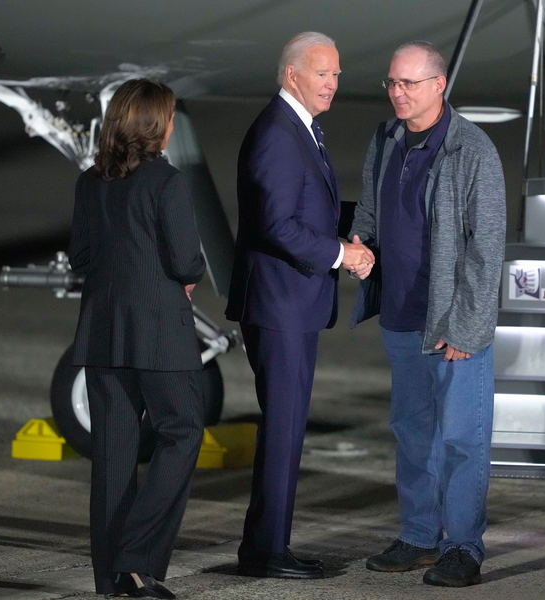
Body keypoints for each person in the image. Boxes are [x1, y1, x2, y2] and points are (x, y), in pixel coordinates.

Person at [348, 41, 506, 588]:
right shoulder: (386, 138)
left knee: (463, 438)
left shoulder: (471, 150)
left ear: (438, 85)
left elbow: (486, 249)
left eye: (408, 84)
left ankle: (463, 548)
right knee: (414, 433)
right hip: (400, 315)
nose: (397, 92)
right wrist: (360, 242)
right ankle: (419, 537)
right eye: (391, 83)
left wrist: (468, 326)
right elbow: (370, 204)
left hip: (450, 325)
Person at [225, 31, 374, 579]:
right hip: (279, 306)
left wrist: (370, 228)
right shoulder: (277, 135)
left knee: (287, 428)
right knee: (284, 429)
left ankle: (268, 546)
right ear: (292, 75)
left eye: (336, 74)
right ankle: (265, 552)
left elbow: (311, 209)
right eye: (323, 74)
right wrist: (343, 255)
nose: (333, 83)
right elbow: (277, 226)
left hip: (290, 304)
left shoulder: (300, 129)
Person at [69, 78, 206, 599]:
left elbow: (81, 258)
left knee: (113, 459)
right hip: (159, 335)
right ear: (157, 126)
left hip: (103, 334)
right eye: (170, 116)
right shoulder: (166, 182)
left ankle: (110, 581)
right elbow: (186, 261)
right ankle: (136, 558)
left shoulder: (90, 182)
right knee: (183, 433)